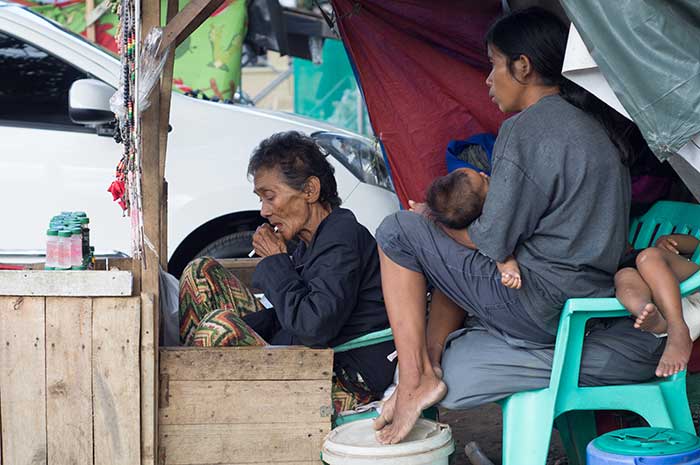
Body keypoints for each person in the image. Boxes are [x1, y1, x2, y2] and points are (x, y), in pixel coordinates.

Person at [373, 7, 663, 445]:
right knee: (439, 256)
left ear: (522, 66)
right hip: (583, 299)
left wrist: (430, 219)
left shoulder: (526, 128)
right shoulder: (598, 127)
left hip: (536, 302)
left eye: (493, 63)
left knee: (398, 231)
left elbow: (492, 239)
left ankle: (413, 378)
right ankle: (427, 367)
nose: (488, 79)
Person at [178, 131, 396, 413]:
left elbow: (313, 326)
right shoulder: (311, 241)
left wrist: (275, 261)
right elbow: (287, 312)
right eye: (260, 199)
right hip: (307, 354)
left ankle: (194, 410)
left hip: (345, 378)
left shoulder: (342, 238)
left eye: (270, 197)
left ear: (310, 191)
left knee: (217, 330)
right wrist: (249, 324)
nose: (264, 211)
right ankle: (195, 394)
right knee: (201, 273)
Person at [616, 234, 700, 377]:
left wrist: (668, 241)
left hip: (694, 289)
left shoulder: (649, 253)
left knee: (648, 258)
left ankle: (676, 328)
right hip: (667, 303)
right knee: (624, 279)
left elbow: (696, 245)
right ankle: (649, 314)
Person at [423, 167, 521, 289]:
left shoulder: (458, 216)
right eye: (485, 180)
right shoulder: (490, 226)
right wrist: (510, 271)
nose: (484, 174)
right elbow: (501, 255)